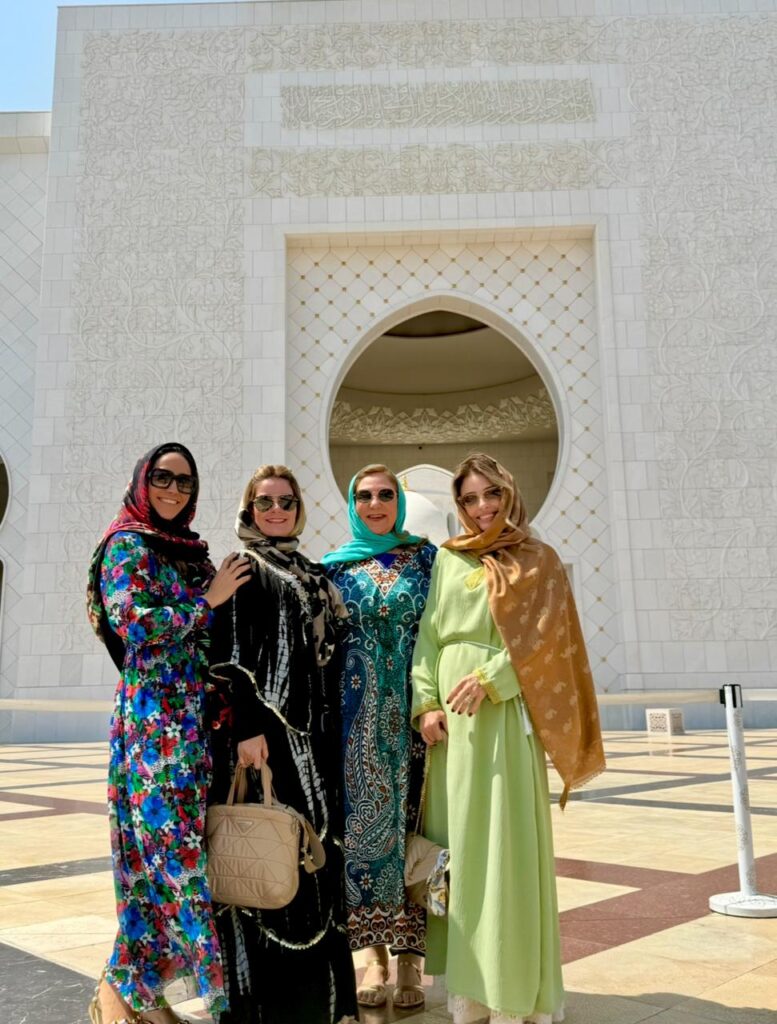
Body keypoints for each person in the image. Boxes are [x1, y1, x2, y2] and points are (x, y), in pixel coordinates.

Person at [411, 453, 606, 1024]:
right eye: (469, 498)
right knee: (463, 853)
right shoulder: (447, 558)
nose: (481, 507)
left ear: (510, 492)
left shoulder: (538, 560)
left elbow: (548, 640)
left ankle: (516, 991)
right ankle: (471, 992)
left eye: (490, 494)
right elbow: (430, 635)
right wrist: (426, 703)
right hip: (453, 733)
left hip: (503, 719)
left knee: (505, 848)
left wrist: (491, 680)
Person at [86, 442, 250, 1024]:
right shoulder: (127, 545)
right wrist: (207, 601)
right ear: (142, 481)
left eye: (184, 482)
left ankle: (129, 996)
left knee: (164, 860)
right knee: (169, 858)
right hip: (155, 725)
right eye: (162, 478)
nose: (174, 490)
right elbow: (133, 622)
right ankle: (163, 993)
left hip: (196, 724)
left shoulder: (189, 552)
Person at [208, 464, 358, 1024]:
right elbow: (231, 653)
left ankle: (320, 1002)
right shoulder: (245, 567)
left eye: (286, 501)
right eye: (265, 502)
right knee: (273, 854)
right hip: (269, 739)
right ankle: (272, 1006)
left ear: (299, 509)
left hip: (315, 737)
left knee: (313, 856)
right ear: (249, 509)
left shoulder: (310, 572)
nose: (276, 510)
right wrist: (247, 729)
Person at [323, 464, 436, 1010]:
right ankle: (373, 956)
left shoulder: (428, 559)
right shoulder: (333, 568)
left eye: (385, 494)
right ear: (352, 503)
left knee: (420, 828)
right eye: (364, 496)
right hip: (356, 720)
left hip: (419, 716)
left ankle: (412, 959)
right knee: (364, 837)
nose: (375, 504)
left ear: (399, 502)